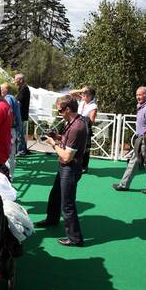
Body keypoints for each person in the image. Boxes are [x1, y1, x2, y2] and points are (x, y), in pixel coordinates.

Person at [37, 95, 90, 247]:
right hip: (67, 167)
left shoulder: (76, 127)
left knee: (67, 204)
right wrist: (58, 137)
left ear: (68, 109)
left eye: (60, 110)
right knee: (55, 195)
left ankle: (75, 238)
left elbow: (67, 156)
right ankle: (52, 219)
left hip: (70, 168)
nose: (58, 113)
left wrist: (53, 144)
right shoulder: (75, 121)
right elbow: (69, 141)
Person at [114, 86, 146, 194]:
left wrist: (144, 141)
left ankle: (124, 185)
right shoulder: (140, 106)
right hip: (141, 139)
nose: (138, 97)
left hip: (145, 140)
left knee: (143, 163)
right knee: (143, 163)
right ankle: (126, 184)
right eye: (137, 95)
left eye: (140, 94)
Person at [15, 74, 32, 155]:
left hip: (21, 115)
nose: (14, 81)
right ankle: (23, 149)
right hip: (22, 115)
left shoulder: (24, 89)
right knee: (20, 133)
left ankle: (21, 151)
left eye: (16, 79)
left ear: (20, 80)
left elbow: (19, 102)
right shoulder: (23, 88)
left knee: (20, 134)